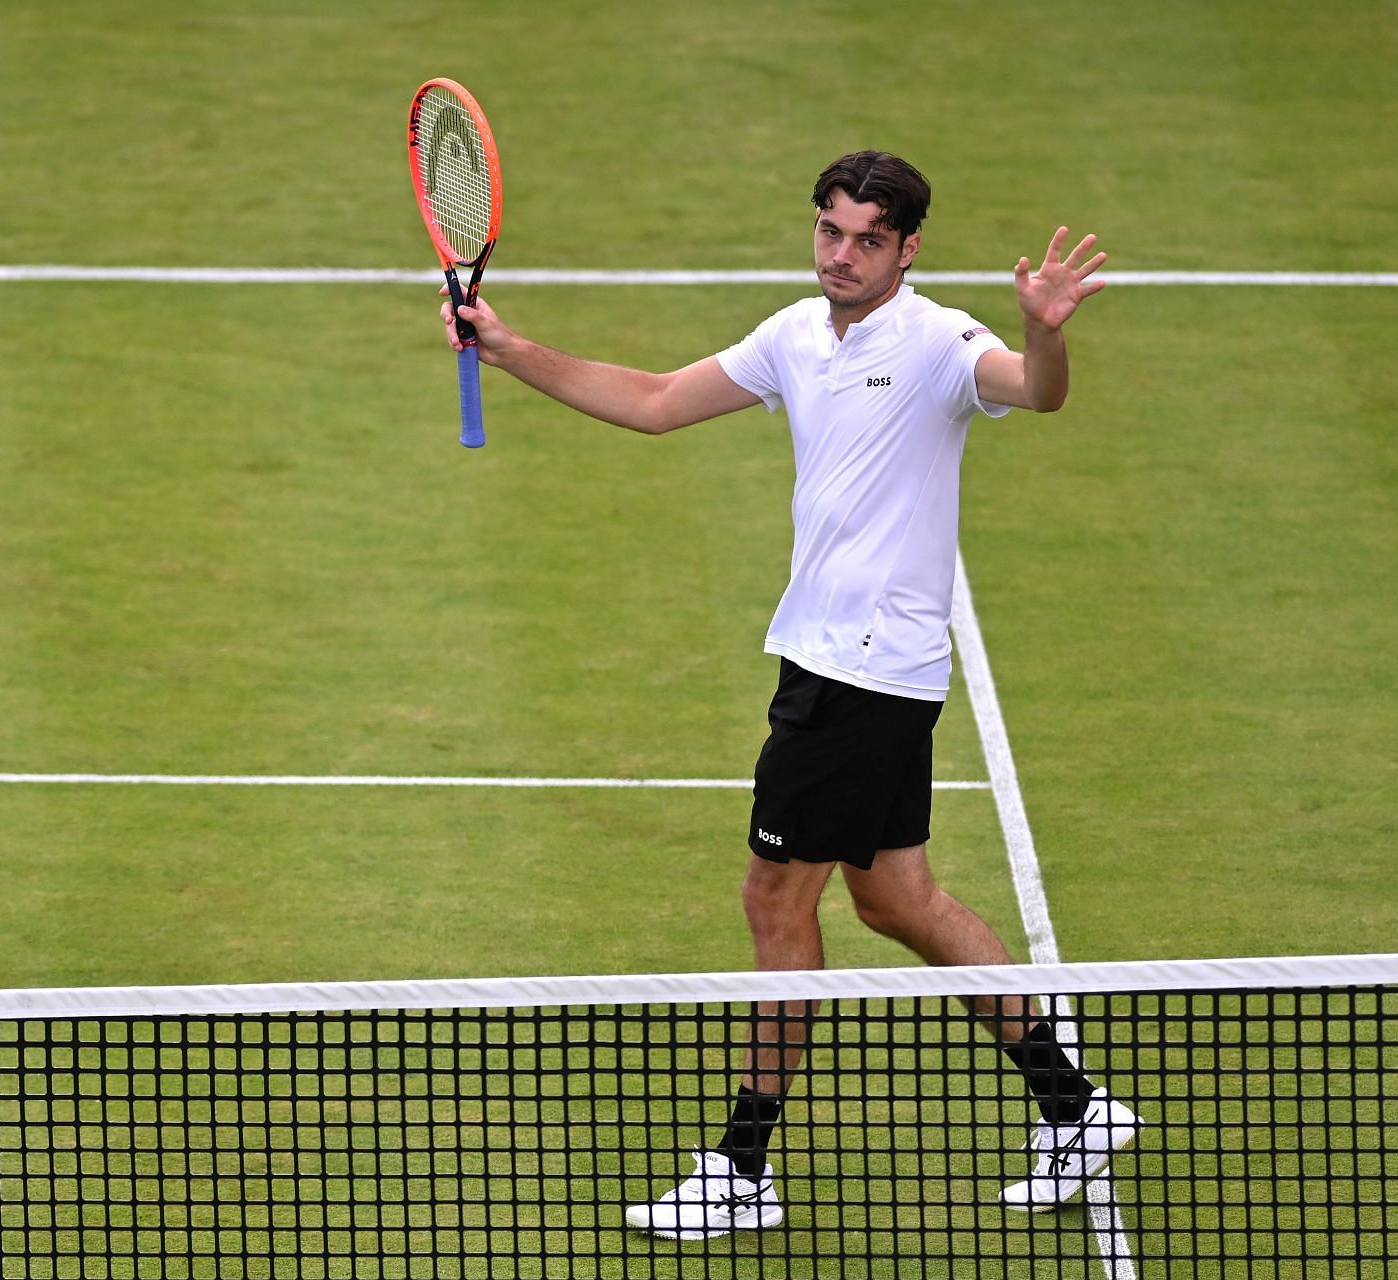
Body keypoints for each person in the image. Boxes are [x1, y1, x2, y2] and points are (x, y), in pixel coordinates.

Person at [438, 150, 1139, 1239]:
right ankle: (1075, 1102)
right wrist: (511, 344)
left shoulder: (940, 343)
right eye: (830, 231)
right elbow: (662, 401)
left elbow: (1032, 391)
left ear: (908, 248)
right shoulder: (795, 336)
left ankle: (743, 1164)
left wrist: (1045, 329)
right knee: (896, 898)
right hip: (840, 664)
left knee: (777, 901)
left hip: (863, 674)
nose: (843, 255)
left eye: (868, 240)